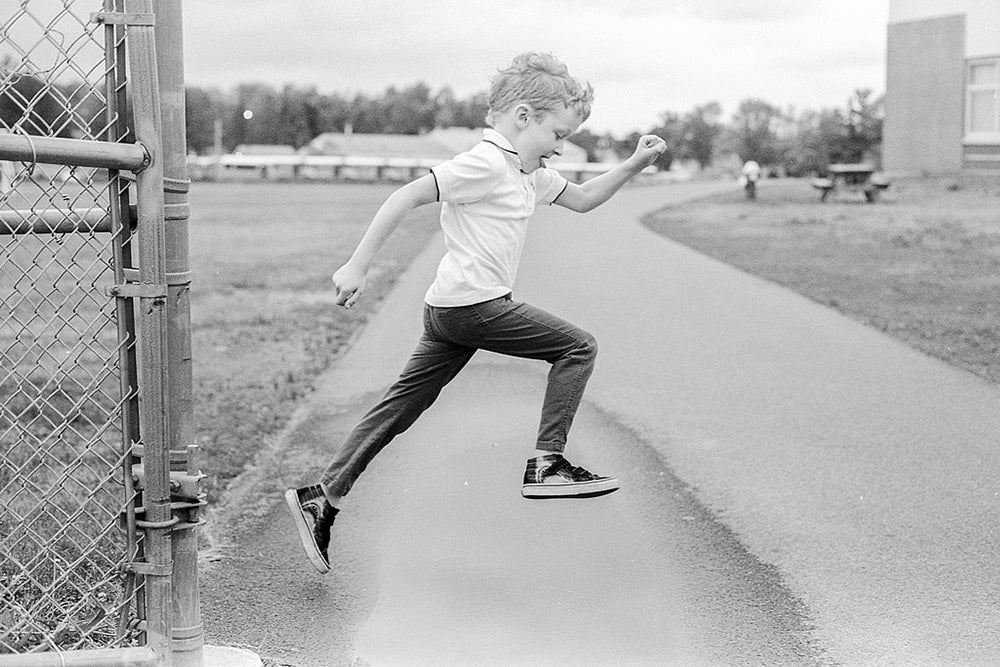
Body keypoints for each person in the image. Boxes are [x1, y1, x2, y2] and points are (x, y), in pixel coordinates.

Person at [285, 52, 667, 574]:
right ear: (523, 117)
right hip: (474, 305)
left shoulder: (526, 171)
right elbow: (406, 195)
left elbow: (580, 199)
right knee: (578, 347)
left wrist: (630, 166)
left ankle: (322, 497)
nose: (562, 145)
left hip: (449, 310)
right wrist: (357, 265)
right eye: (558, 132)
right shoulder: (485, 162)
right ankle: (547, 463)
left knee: (401, 407)